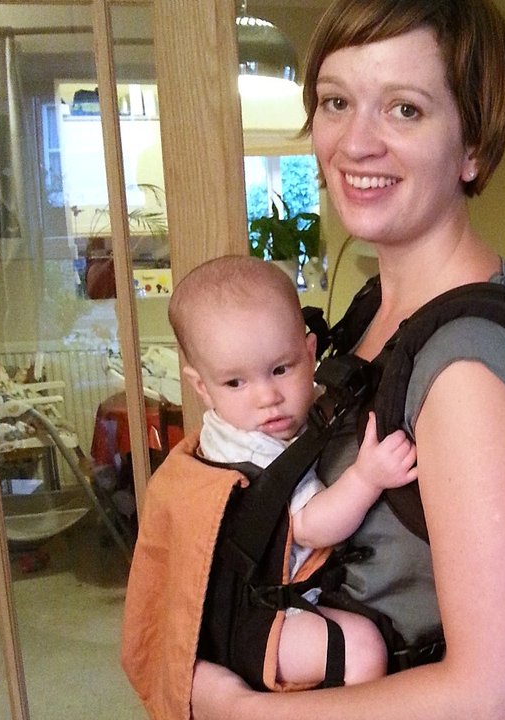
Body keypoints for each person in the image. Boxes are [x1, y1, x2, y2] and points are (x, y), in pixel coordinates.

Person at [189, 1, 505, 718]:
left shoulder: (468, 371)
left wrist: (240, 710)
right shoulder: (377, 307)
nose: (354, 142)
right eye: (337, 101)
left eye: (404, 109)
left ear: (473, 146)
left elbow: (490, 695)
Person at [157, 255, 418, 689]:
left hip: (271, 605)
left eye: (281, 369)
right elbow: (312, 526)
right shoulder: (253, 450)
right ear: (201, 387)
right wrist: (367, 477)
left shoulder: (243, 422)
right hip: (257, 622)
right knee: (362, 646)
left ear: (310, 352)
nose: (267, 397)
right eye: (235, 383)